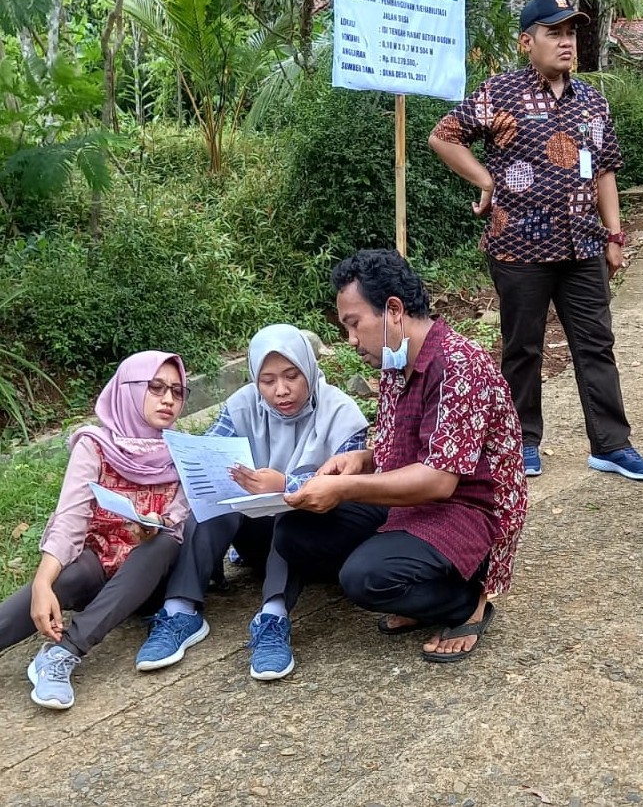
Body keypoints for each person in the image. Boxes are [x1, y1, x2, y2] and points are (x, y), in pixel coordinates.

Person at [428, 0, 643, 482]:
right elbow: (443, 135)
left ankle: (611, 445)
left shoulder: (592, 102)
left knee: (596, 343)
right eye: (554, 32)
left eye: (571, 32)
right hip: (519, 247)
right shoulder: (499, 93)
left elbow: (605, 172)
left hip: (582, 244)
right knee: (523, 347)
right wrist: (485, 180)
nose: (566, 41)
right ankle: (521, 442)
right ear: (525, 41)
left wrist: (615, 234)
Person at [272, 250, 527, 664]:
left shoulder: (459, 365)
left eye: (354, 325)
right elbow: (405, 447)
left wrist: (345, 487)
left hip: (468, 507)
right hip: (413, 499)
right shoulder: (395, 363)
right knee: (294, 533)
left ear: (393, 310)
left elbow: (439, 479)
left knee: (365, 577)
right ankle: (413, 592)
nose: (351, 340)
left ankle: (464, 601)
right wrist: (363, 461)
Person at [135, 325, 368, 680]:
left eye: (292, 376)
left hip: (314, 540)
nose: (281, 391)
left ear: (309, 368)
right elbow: (208, 454)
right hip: (255, 536)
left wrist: (285, 484)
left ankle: (273, 618)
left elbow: (347, 488)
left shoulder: (341, 413)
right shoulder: (244, 404)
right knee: (212, 498)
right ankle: (180, 610)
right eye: (268, 380)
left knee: (293, 516)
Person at [0, 351, 190, 710]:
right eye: (156, 387)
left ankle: (64, 652)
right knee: (65, 580)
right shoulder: (95, 445)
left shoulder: (182, 450)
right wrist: (42, 584)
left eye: (178, 392)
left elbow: (178, 520)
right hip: (101, 565)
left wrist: (154, 526)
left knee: (163, 543)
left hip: (154, 579)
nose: (168, 399)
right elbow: (70, 519)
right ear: (128, 390)